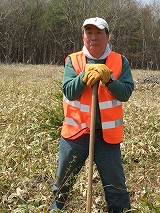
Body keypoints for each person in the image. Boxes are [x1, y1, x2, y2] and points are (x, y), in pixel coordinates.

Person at [50, 17, 134, 213]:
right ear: (83, 36)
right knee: (62, 186)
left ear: (108, 35)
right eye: (89, 32)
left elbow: (126, 93)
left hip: (106, 138)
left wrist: (109, 79)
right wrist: (84, 76)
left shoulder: (120, 61)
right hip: (75, 135)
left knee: (116, 189)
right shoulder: (73, 60)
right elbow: (69, 91)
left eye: (98, 32)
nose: (93, 37)